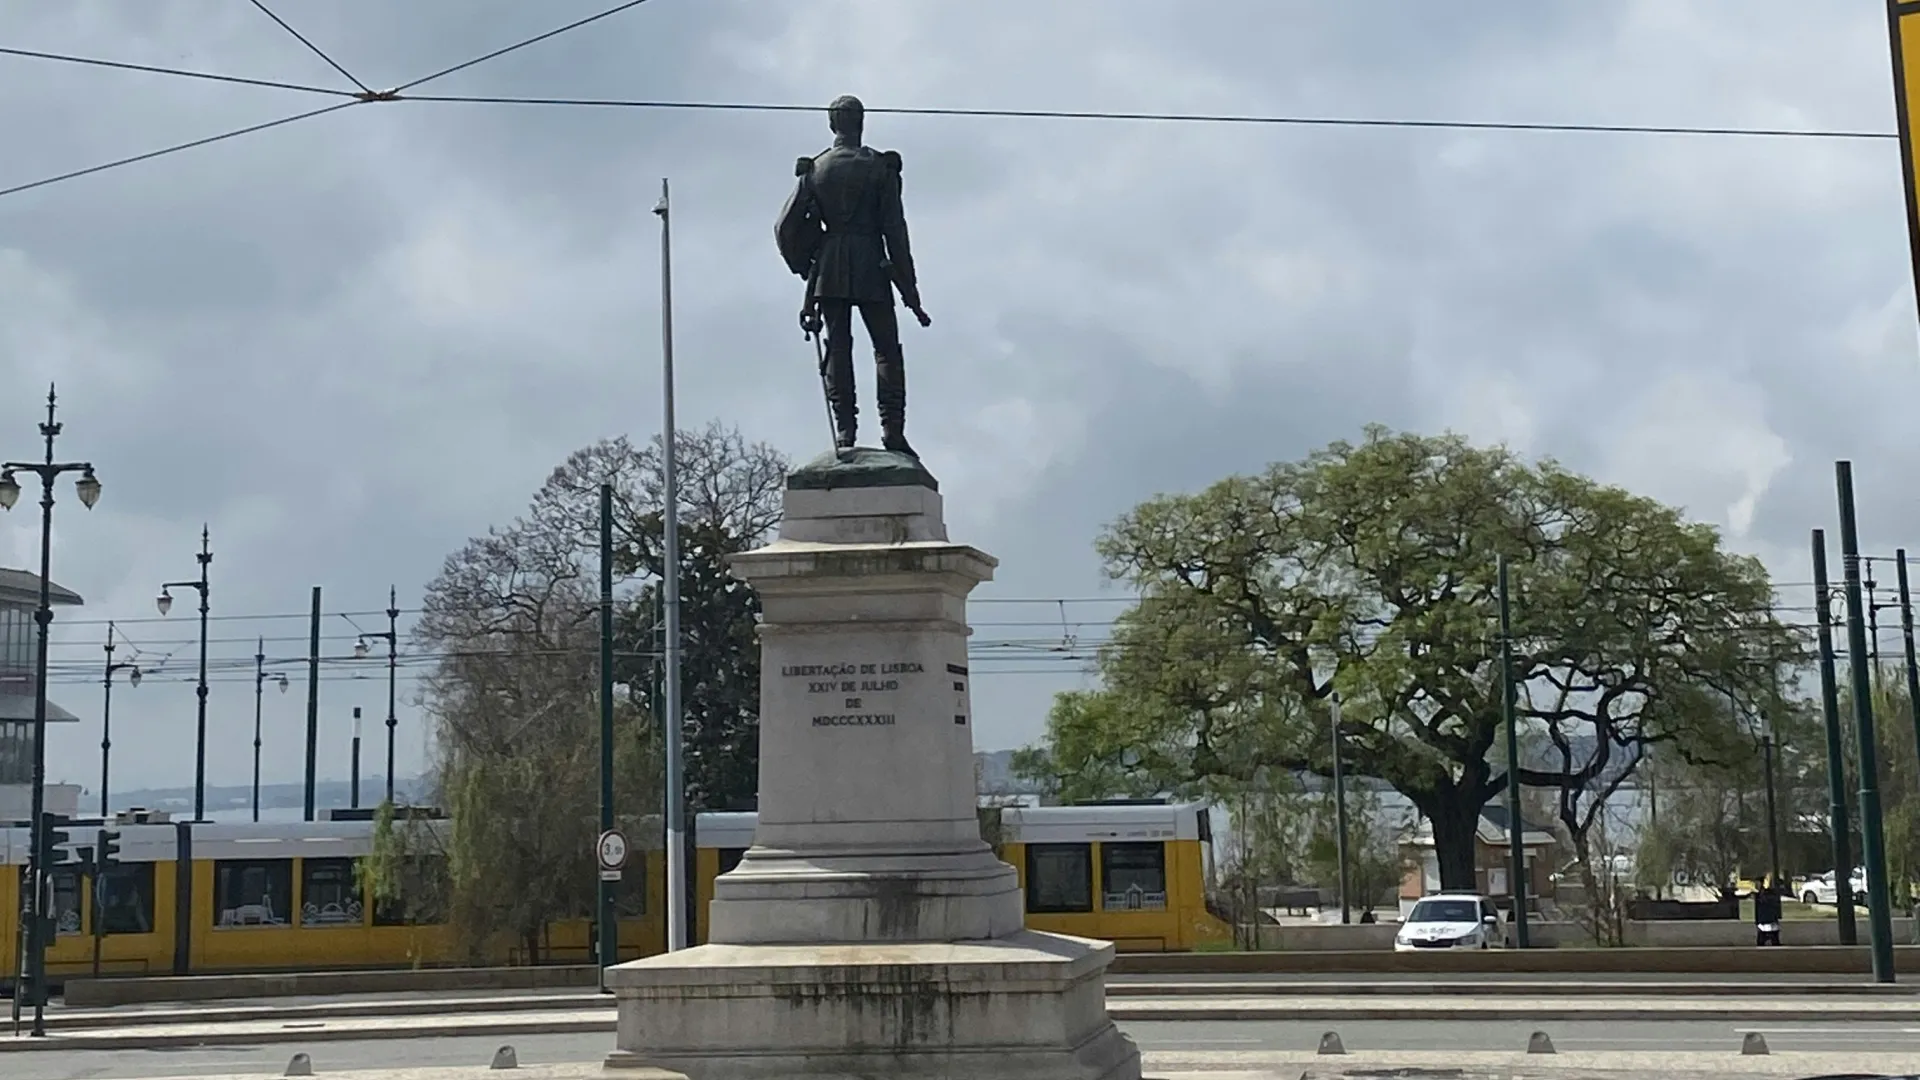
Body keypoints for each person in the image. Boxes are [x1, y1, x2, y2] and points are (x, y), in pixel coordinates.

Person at [775, 94, 932, 456]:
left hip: (829, 266)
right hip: (872, 263)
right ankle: (892, 431)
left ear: (833, 125)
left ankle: (845, 430)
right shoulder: (880, 167)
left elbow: (785, 227)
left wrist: (804, 266)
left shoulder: (814, 169)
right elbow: (895, 230)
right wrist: (910, 288)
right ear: (861, 122)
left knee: (839, 346)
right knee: (887, 351)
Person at [1753, 880, 1783, 947]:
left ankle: (1767, 940)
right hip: (1766, 918)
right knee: (1769, 934)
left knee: (1765, 935)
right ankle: (1771, 940)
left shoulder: (1762, 896)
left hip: (1766, 918)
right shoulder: (1762, 896)